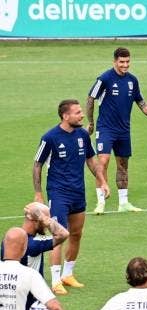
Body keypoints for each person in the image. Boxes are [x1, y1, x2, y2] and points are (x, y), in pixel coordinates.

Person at [33, 99, 110, 296]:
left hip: (78, 192)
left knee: (76, 234)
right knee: (60, 234)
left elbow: (91, 161)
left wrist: (102, 181)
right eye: (77, 112)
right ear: (65, 116)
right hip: (59, 194)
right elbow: (37, 165)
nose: (82, 115)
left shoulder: (83, 135)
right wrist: (38, 193)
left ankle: (68, 274)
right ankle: (55, 279)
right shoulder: (50, 137)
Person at [86, 47, 147, 214]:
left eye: (127, 62)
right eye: (122, 62)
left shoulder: (132, 81)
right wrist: (91, 122)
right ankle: (100, 202)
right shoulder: (105, 79)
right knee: (103, 161)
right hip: (106, 128)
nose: (125, 65)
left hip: (123, 131)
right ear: (114, 61)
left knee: (123, 165)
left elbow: (141, 102)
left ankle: (123, 202)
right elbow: (90, 99)